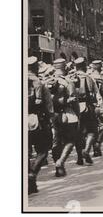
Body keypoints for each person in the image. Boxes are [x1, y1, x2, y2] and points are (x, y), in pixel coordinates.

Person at [71, 57, 103, 165]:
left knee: (78, 133)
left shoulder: (70, 77)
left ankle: (79, 158)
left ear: (76, 67)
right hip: (88, 107)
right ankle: (86, 150)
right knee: (92, 131)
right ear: (84, 66)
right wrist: (102, 109)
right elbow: (97, 95)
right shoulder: (90, 78)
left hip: (74, 108)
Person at [28, 56, 54, 194]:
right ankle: (32, 175)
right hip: (38, 121)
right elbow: (49, 105)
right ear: (36, 68)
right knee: (43, 150)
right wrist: (50, 119)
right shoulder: (40, 83)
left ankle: (28, 181)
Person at [51, 58, 80, 177]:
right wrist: (78, 115)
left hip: (52, 116)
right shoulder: (68, 82)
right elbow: (74, 100)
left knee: (56, 142)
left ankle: (59, 168)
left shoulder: (48, 80)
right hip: (66, 114)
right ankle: (60, 162)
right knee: (70, 140)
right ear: (65, 68)